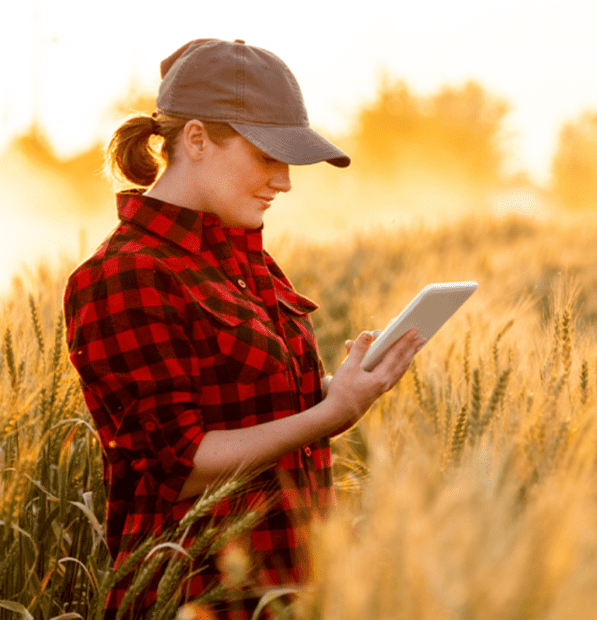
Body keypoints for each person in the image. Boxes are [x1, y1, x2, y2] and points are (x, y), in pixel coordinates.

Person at [63, 38, 426, 619]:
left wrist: (343, 387)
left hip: (290, 592)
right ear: (199, 139)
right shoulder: (124, 275)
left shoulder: (243, 259)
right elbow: (178, 468)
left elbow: (253, 412)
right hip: (198, 599)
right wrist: (330, 417)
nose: (283, 181)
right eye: (267, 156)